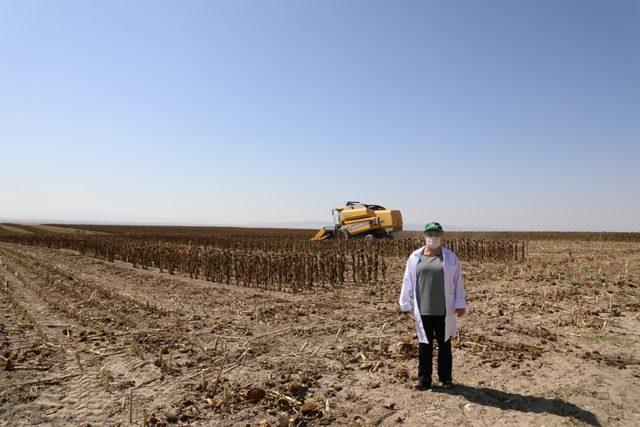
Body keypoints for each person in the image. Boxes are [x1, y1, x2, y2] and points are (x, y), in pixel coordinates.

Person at [398, 222, 467, 390]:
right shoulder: (415, 257)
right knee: (424, 345)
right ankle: (424, 379)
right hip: (423, 309)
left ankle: (446, 378)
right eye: (430, 234)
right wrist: (405, 303)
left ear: (442, 236)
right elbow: (407, 280)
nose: (433, 237)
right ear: (424, 236)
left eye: (436, 234)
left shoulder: (450, 258)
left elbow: (458, 282)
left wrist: (459, 303)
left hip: (444, 309)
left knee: (445, 344)